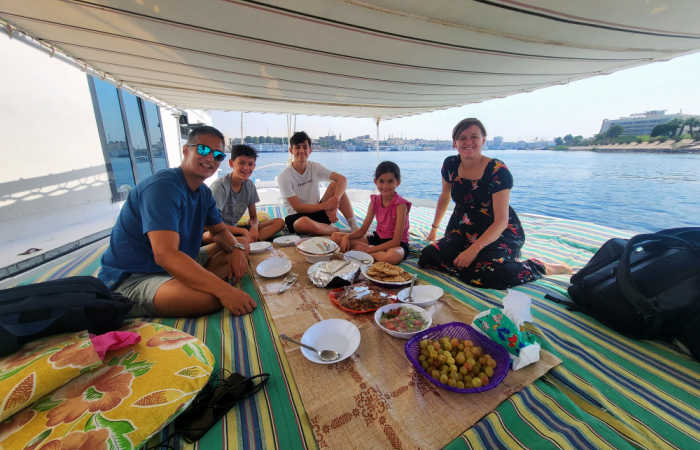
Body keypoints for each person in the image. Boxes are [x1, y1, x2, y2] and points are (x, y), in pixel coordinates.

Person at [98, 125, 257, 317]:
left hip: (184, 259)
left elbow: (220, 232)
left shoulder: (204, 193)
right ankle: (194, 286)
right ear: (185, 150)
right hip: (135, 276)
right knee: (209, 300)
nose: (210, 158)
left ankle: (193, 282)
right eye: (203, 149)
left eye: (217, 155)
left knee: (241, 243)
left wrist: (237, 250)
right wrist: (225, 292)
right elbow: (165, 255)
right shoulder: (162, 188)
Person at [419, 118, 571, 289]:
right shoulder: (450, 165)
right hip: (463, 228)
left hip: (497, 231)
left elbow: (501, 221)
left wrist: (472, 251)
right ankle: (474, 264)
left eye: (474, 137)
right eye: (462, 138)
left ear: (483, 140)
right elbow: (445, 196)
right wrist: (433, 230)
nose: (468, 142)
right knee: (428, 256)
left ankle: (539, 266)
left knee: (488, 274)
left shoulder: (497, 170)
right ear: (455, 143)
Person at [277, 131, 359, 235]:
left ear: (310, 150)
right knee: (303, 223)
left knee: (335, 185)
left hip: (317, 212)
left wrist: (335, 201)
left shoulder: (315, 167)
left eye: (305, 147)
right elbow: (298, 207)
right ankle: (337, 231)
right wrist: (326, 206)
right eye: (297, 147)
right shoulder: (284, 176)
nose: (301, 150)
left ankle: (354, 228)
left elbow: (342, 179)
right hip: (298, 217)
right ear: (291, 150)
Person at [331, 161, 410, 264]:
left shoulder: (401, 205)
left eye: (390, 181)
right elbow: (363, 230)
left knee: (392, 257)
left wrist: (369, 250)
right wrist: (347, 236)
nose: (385, 186)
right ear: (375, 181)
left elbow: (396, 241)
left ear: (398, 182)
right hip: (378, 238)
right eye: (381, 181)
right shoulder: (375, 201)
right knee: (335, 237)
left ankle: (362, 251)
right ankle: (367, 251)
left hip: (397, 245)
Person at [208, 144, 285, 242]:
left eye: (250, 164)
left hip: (236, 230)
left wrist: (254, 228)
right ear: (231, 163)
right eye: (241, 163)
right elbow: (211, 224)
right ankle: (246, 242)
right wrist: (243, 231)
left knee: (279, 222)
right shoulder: (220, 187)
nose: (246, 168)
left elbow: (253, 217)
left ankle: (248, 241)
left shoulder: (249, 185)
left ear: (254, 166)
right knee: (212, 236)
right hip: (218, 231)